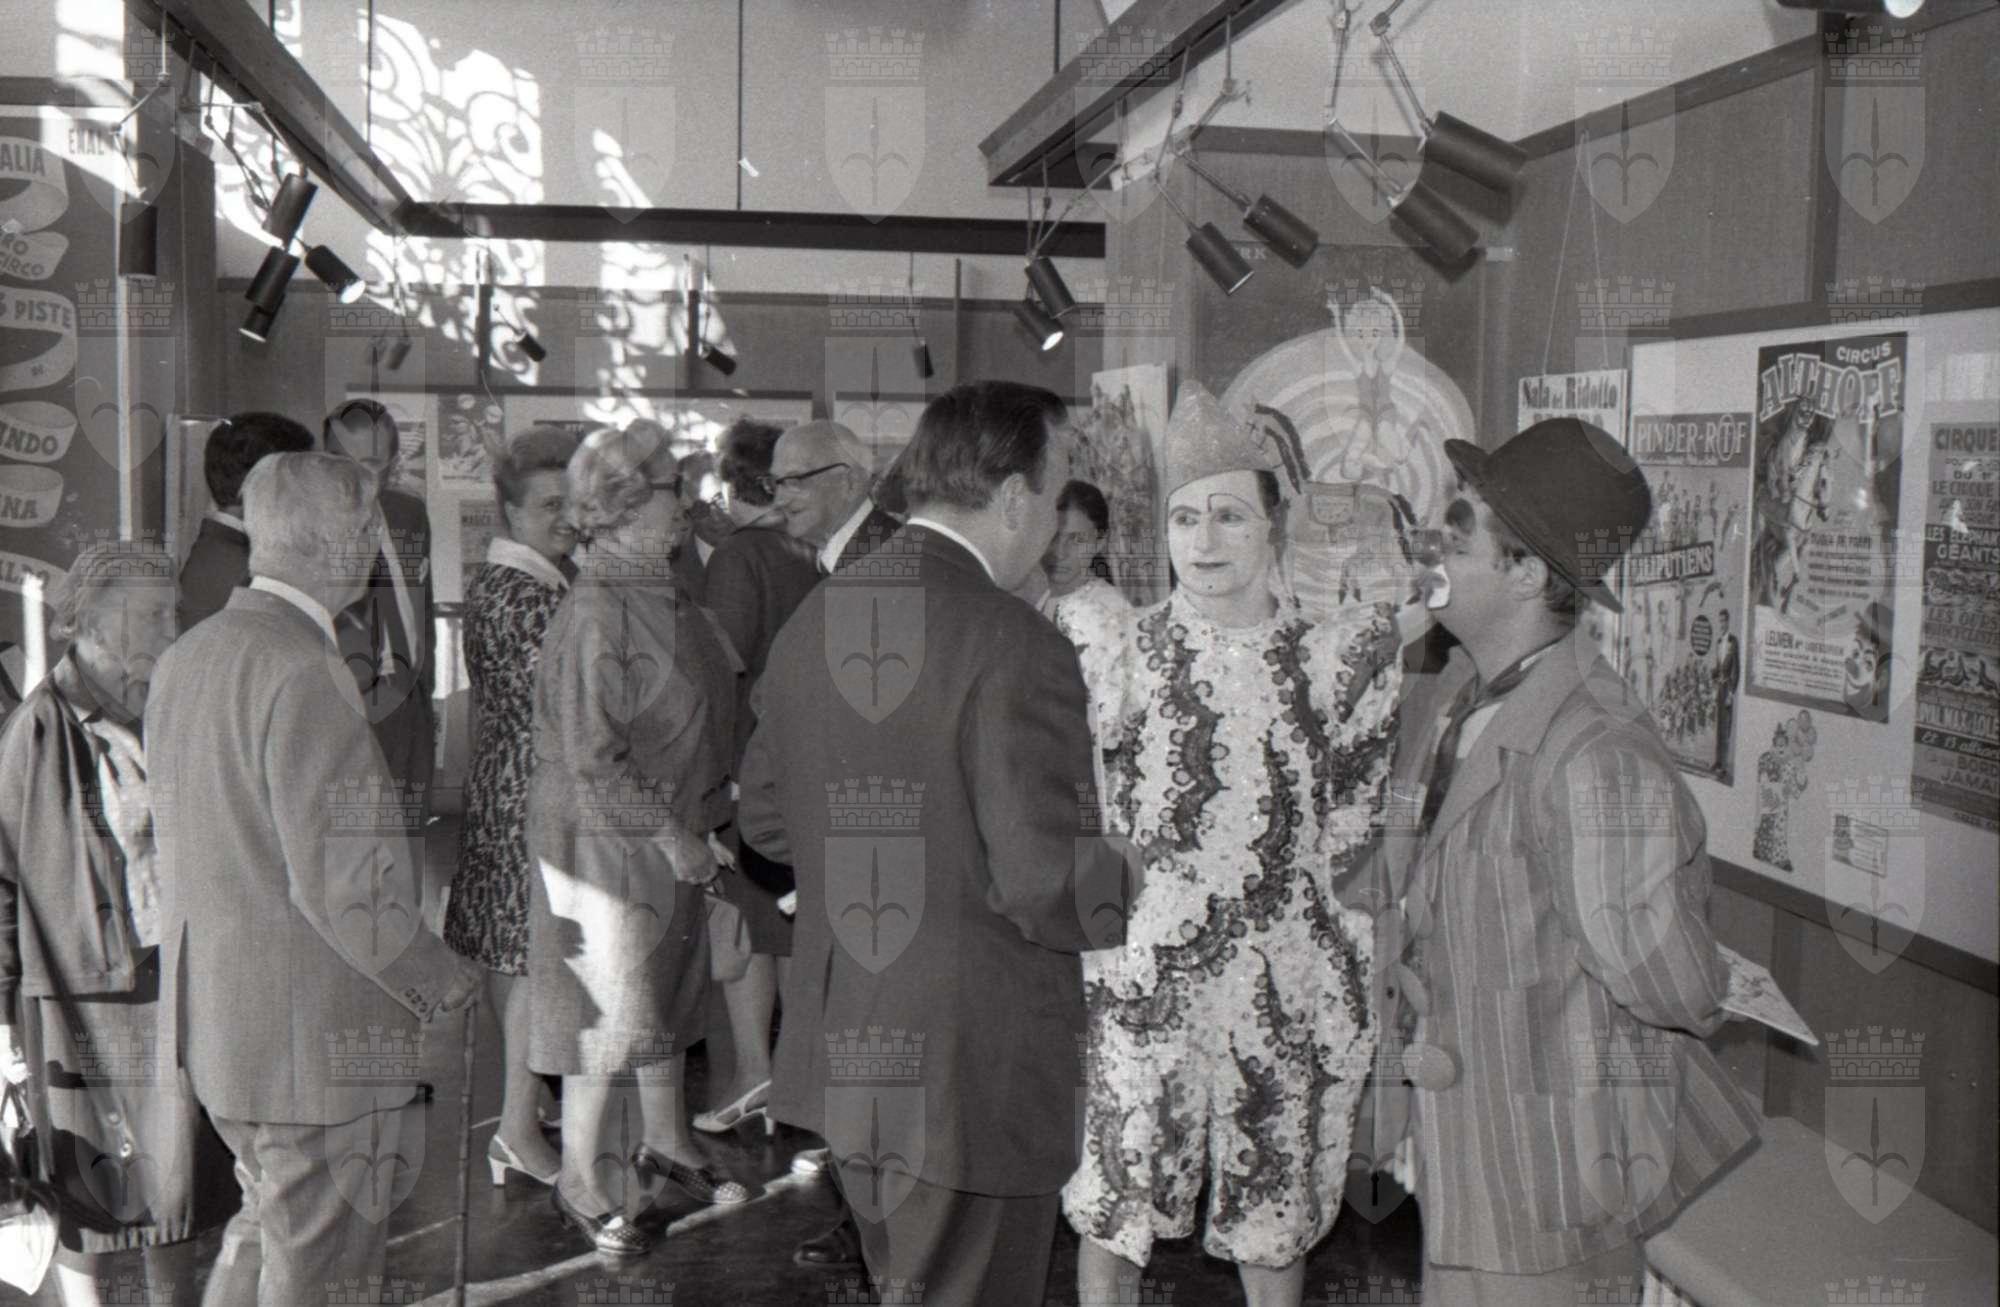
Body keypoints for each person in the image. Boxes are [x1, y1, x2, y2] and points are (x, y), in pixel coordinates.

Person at [739, 380, 1129, 1305]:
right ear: (1015, 496)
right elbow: (1048, 881)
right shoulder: (1015, 640)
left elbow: (763, 819)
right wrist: (1128, 868)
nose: (1057, 520)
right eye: (1057, 491)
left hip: (853, 1047)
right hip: (971, 1069)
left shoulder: (817, 615)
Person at [1370, 418, 1758, 1306]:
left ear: (1528, 574)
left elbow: (1667, 982)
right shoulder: (1465, 694)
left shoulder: (1594, 752)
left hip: (1551, 1194)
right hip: (1470, 1170)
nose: (1430, 543)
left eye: (1458, 528)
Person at [1059, 383, 1400, 1307]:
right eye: (1185, 518)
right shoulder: (1116, 650)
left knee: (1272, 1215)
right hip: (1144, 976)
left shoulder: (1335, 659)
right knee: (1114, 1212)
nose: (1204, 540)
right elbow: (1085, 814)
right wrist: (1112, 948)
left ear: (1273, 526)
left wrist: (1284, 909)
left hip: (1282, 976)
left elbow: (1354, 817)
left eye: (1229, 516)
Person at [146, 453, 482, 1304]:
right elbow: (346, 882)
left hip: (225, 1030)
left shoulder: (190, 653)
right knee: (325, 1272)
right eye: (372, 528)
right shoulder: (304, 668)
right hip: (312, 1045)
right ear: (348, 539)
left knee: (266, 1229)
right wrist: (437, 974)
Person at [528, 424, 751, 1258]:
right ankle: (577, 1177)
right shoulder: (598, 610)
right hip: (607, 834)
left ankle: (667, 1142)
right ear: (623, 505)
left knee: (665, 988)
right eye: (671, 491)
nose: (686, 504)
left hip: (666, 821)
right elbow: (594, 757)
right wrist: (673, 837)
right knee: (605, 1006)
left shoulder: (660, 586)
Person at [0, 542, 200, 1307]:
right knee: (91, 1192)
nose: (172, 628)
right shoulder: (38, 729)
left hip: (165, 985)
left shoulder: (164, 709)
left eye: (173, 612)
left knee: (175, 1188)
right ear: (97, 621)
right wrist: (4, 1024)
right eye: (154, 613)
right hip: (80, 1000)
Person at [445, 426, 583, 1190]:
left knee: (512, 955)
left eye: (572, 502)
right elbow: (571, 704)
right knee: (529, 959)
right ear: (511, 511)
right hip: (531, 790)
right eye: (548, 505)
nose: (566, 516)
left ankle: (523, 1109)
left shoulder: (511, 581)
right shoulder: (527, 592)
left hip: (508, 781)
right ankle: (517, 1127)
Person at [689, 419, 819, 1140]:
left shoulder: (740, 557)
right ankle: (798, 1079)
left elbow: (720, 668)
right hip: (807, 765)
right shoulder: (810, 547)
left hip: (748, 766)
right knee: (790, 928)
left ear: (733, 483)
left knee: (744, 929)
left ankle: (753, 1073)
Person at [322, 400, 438, 827]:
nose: (355, 478)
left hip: (409, 704)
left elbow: (423, 606)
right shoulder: (311, 527)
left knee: (406, 840)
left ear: (391, 464)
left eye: (370, 464)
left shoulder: (409, 515)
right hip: (347, 711)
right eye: (342, 462)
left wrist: (425, 690)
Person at [177, 412, 314, 632]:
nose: (306, 496)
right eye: (299, 481)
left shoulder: (216, 548)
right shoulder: (250, 572)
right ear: (261, 484)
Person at [768, 419, 900, 575]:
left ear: (850, 483)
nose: (779, 501)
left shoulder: (891, 560)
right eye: (775, 482)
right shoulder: (807, 558)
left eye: (795, 481)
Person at [1712, 607, 1740, 777]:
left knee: (1726, 728)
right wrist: (1712, 677)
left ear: (1728, 621)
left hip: (1728, 688)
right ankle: (1717, 761)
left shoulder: (1733, 641)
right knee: (1718, 726)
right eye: (1720, 621)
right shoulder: (1718, 642)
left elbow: (1736, 669)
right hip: (1719, 688)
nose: (1722, 624)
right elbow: (1718, 668)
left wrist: (1731, 693)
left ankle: (1723, 766)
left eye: (1724, 621)